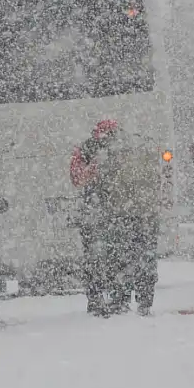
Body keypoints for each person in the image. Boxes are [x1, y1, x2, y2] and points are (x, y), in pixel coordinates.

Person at [71, 119, 162, 316]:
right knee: (127, 258)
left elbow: (78, 178)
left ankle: (115, 299)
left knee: (115, 258)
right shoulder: (100, 149)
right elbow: (78, 177)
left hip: (115, 214)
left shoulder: (104, 150)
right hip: (121, 214)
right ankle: (125, 300)